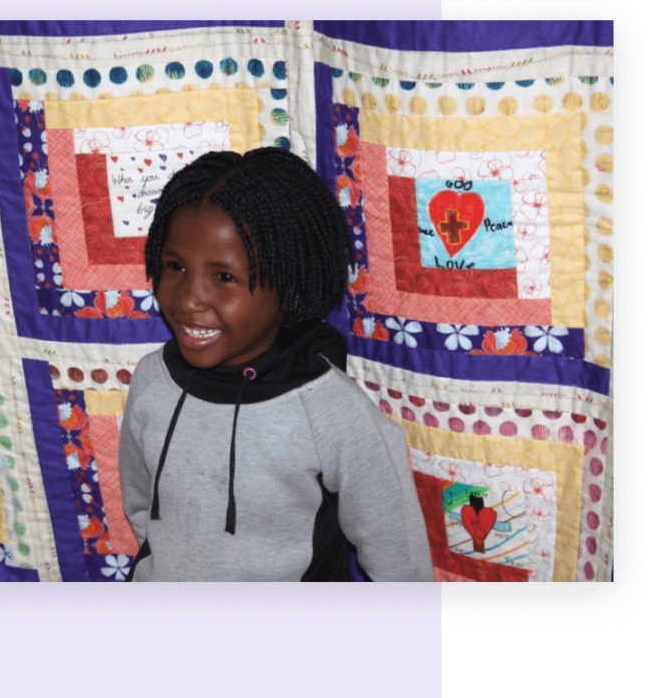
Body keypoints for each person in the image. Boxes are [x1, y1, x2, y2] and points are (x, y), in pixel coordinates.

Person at [119, 147, 433, 581]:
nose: (188, 298)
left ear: (291, 287)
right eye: (175, 266)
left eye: (224, 277)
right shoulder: (152, 380)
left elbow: (399, 561)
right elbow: (140, 506)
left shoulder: (331, 411)